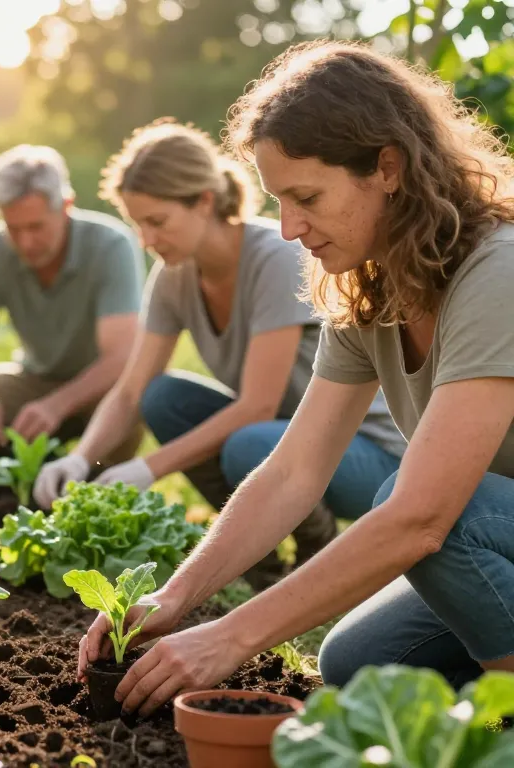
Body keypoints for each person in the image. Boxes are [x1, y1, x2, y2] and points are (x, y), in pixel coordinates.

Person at [76, 40, 514, 718]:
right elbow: (293, 472)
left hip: (472, 524)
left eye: (306, 197)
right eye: (279, 200)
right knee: (357, 662)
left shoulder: (497, 272)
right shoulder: (370, 282)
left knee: (437, 516)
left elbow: (422, 518)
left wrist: (232, 637)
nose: (287, 228)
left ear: (388, 167)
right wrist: (175, 597)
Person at [35, 119, 406, 589]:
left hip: (366, 454)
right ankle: (260, 556)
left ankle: (318, 546)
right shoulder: (174, 276)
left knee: (247, 443)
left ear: (204, 202)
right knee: (163, 397)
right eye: (138, 225)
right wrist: (81, 457)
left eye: (157, 222)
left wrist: (149, 466)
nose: (147, 240)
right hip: (286, 442)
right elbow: (131, 389)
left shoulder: (275, 257)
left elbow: (258, 406)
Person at [0, 145, 147, 464]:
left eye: (36, 227)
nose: (25, 242)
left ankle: (103, 477)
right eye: (14, 228)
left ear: (66, 206)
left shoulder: (111, 246)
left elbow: (123, 357)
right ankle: (16, 473)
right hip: (35, 381)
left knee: (134, 397)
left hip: (100, 386)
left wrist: (57, 405)